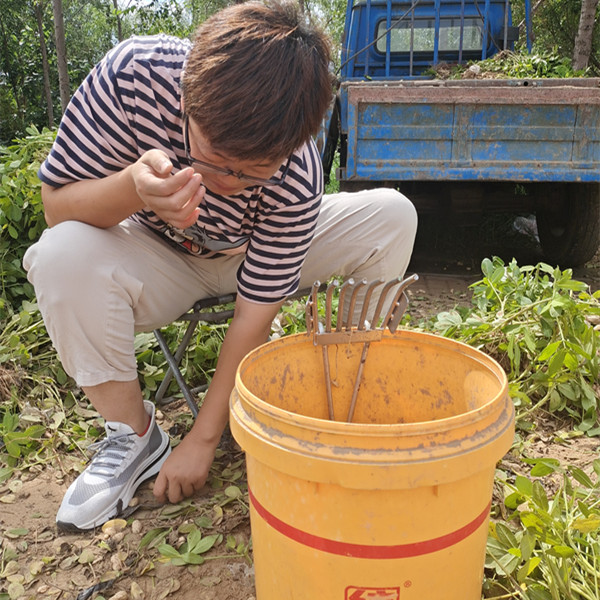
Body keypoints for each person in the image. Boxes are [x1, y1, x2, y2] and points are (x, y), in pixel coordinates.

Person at [23, 0, 417, 532]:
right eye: (212, 158)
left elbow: (252, 317)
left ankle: (342, 385)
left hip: (250, 257)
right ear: (188, 99)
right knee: (59, 254)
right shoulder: (133, 77)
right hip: (157, 254)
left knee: (393, 215)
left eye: (253, 171)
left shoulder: (295, 168)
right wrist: (132, 188)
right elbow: (57, 206)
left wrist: (205, 438)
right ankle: (134, 437)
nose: (226, 182)